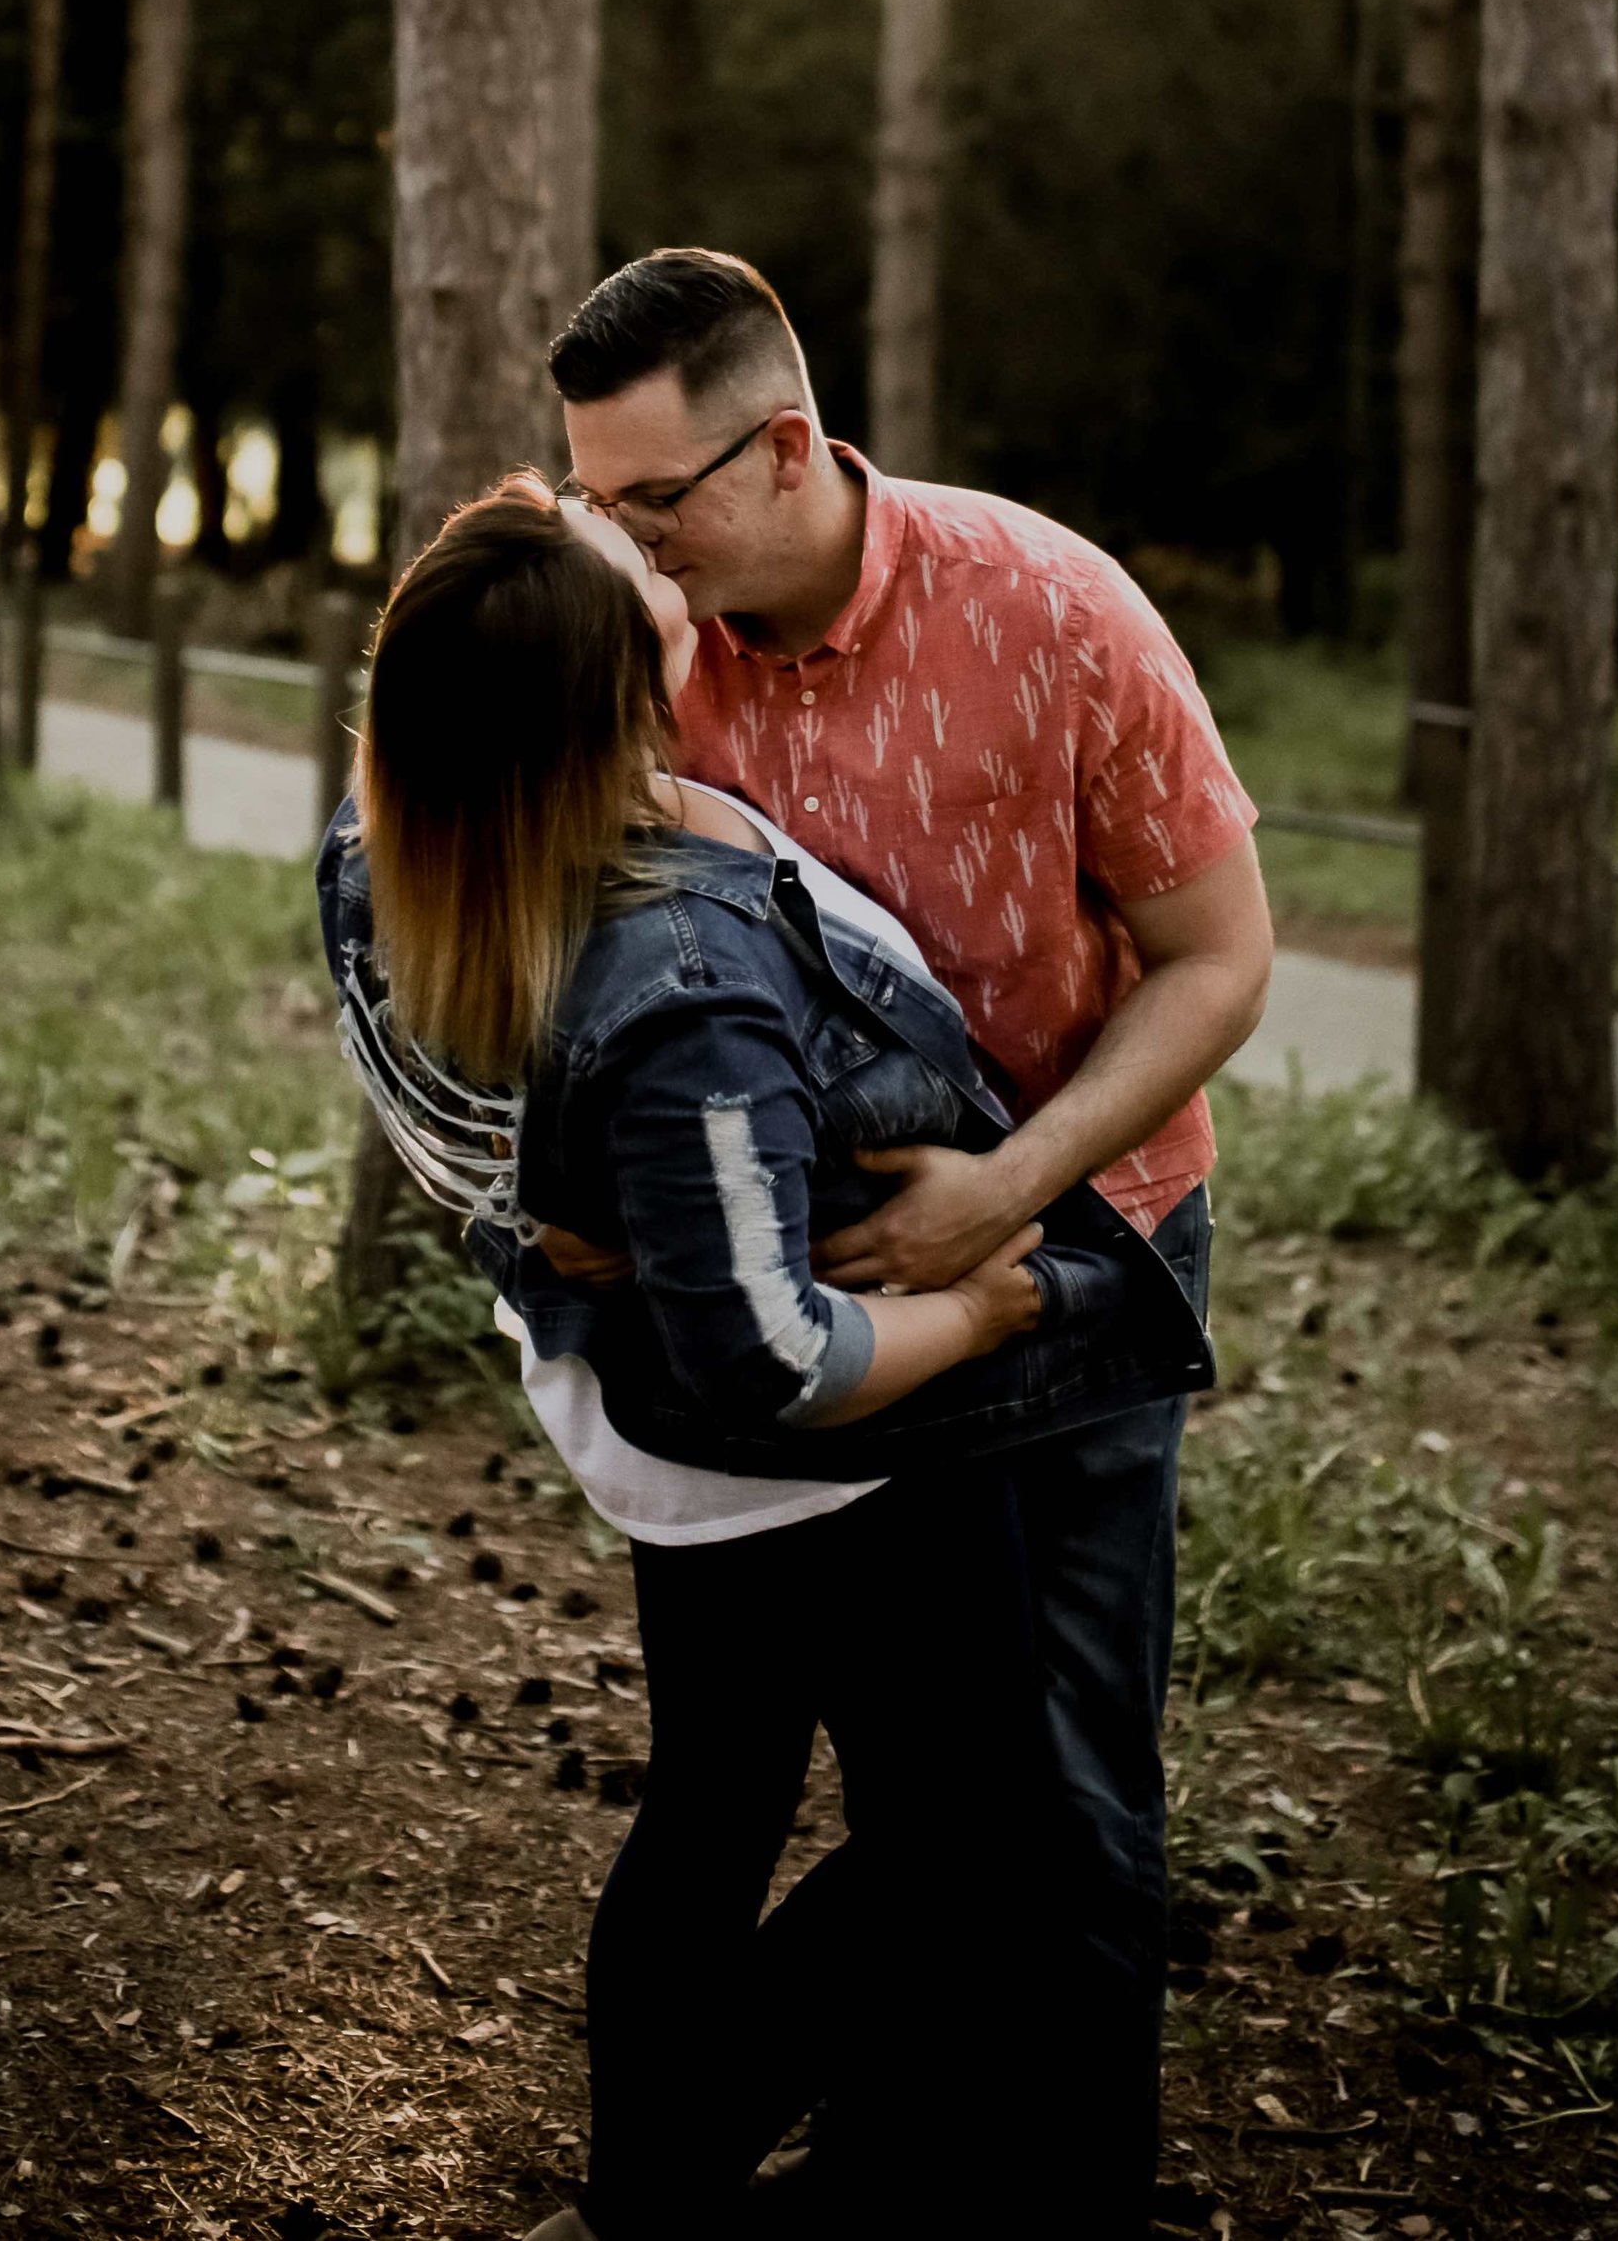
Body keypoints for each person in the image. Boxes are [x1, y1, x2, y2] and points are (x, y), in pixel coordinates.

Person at [316, 476, 1217, 2241]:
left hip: (663, 1430)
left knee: (719, 1801)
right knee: (977, 1842)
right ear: (610, 692)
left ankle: (693, 2176)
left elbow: (456, 1111)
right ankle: (680, 2170)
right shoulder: (679, 977)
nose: (654, 556)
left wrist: (541, 1204)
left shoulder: (421, 809)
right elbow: (773, 1360)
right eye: (631, 563)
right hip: (828, 1447)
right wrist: (978, 1305)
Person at [544, 247, 1273, 2236]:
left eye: (647, 501)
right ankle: (857, 2157)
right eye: (584, 501)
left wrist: (1007, 1190)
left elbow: (1220, 959)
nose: (615, 542)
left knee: (1063, 1808)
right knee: (909, 1796)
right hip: (807, 1323)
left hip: (1068, 1258)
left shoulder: (1046, 611)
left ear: (781, 451)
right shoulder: (638, 647)